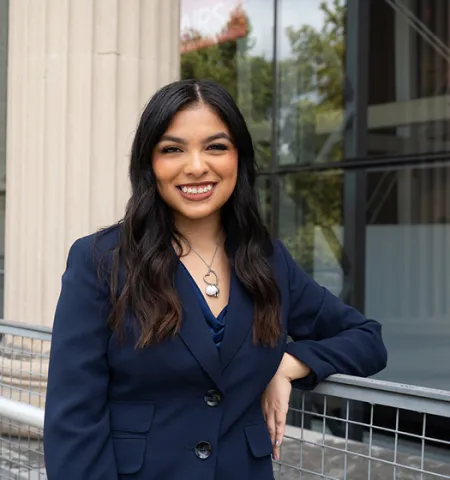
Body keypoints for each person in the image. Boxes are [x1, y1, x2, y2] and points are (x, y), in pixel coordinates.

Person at [43, 79, 387, 480]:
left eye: (216, 147)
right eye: (172, 149)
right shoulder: (101, 260)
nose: (195, 166)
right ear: (149, 163)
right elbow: (73, 424)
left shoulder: (269, 261)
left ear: (238, 157)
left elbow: (367, 339)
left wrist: (288, 364)